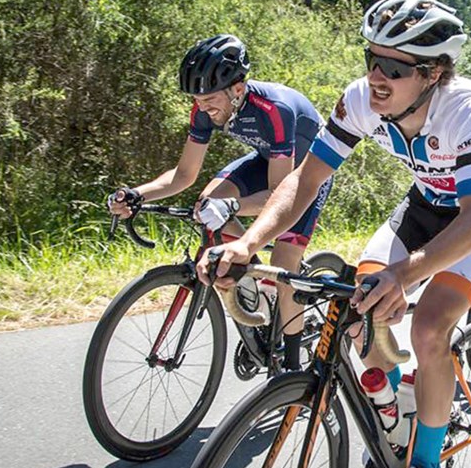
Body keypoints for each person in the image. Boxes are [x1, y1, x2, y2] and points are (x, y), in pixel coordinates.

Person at [197, 0, 471, 468]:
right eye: (371, 59)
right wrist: (246, 242)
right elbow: (305, 178)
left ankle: (425, 466)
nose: (377, 76)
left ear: (435, 72)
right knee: (360, 305)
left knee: (429, 328)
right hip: (422, 206)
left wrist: (406, 272)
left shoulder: (468, 110)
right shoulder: (362, 100)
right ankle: (396, 407)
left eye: (394, 67)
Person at [108, 34, 333, 370]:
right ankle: (255, 280)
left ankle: (291, 369)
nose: (202, 107)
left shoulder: (275, 111)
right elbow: (184, 174)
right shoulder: (204, 109)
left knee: (285, 259)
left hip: (305, 174)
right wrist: (139, 194)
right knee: (206, 203)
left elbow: (277, 196)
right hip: (267, 160)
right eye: (197, 100)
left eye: (209, 99)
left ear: (237, 90)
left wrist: (232, 208)